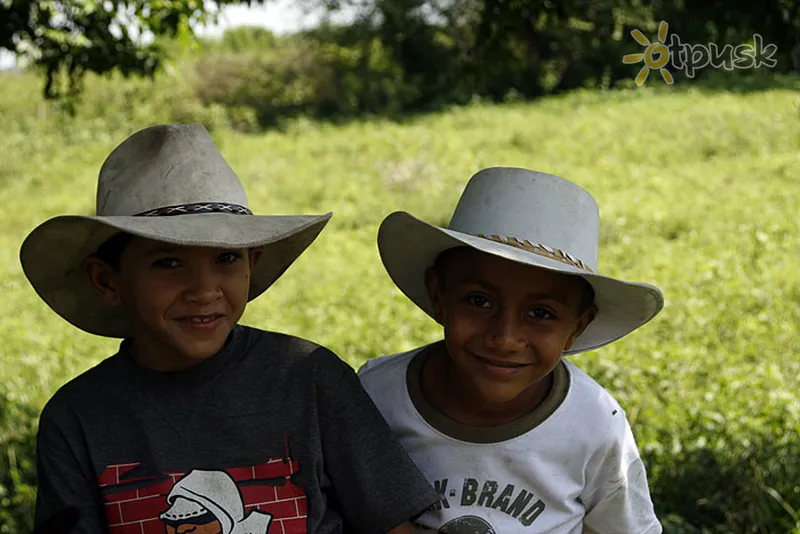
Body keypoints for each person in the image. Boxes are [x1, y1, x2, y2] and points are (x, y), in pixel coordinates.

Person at [22, 123, 439, 534]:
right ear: (107, 281)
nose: (204, 291)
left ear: (251, 263)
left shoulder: (309, 379)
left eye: (225, 259)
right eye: (168, 262)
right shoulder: (78, 418)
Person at [358, 167, 665, 533]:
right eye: (479, 301)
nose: (505, 338)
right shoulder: (375, 396)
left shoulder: (594, 423)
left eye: (540, 313)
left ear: (578, 326)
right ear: (438, 294)